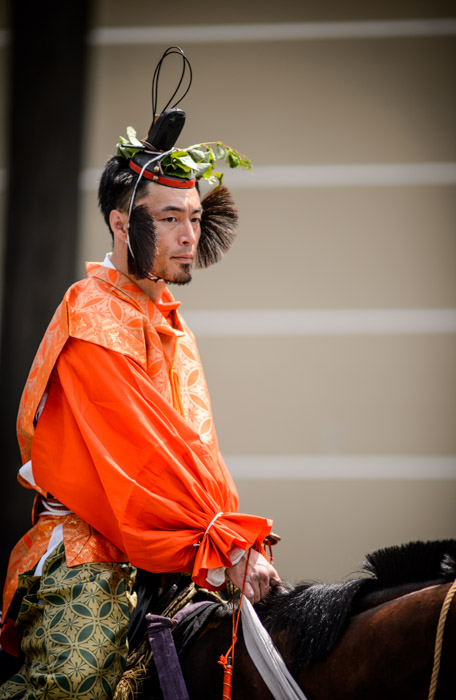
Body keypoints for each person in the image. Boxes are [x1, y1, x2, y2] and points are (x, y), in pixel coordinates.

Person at [0, 48, 281, 698]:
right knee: (72, 685)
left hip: (168, 547)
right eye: (170, 219)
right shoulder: (94, 313)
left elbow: (193, 448)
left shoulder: (168, 318)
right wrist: (219, 544)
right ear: (123, 225)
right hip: (88, 548)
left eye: (195, 219)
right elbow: (142, 453)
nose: (189, 236)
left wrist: (231, 533)